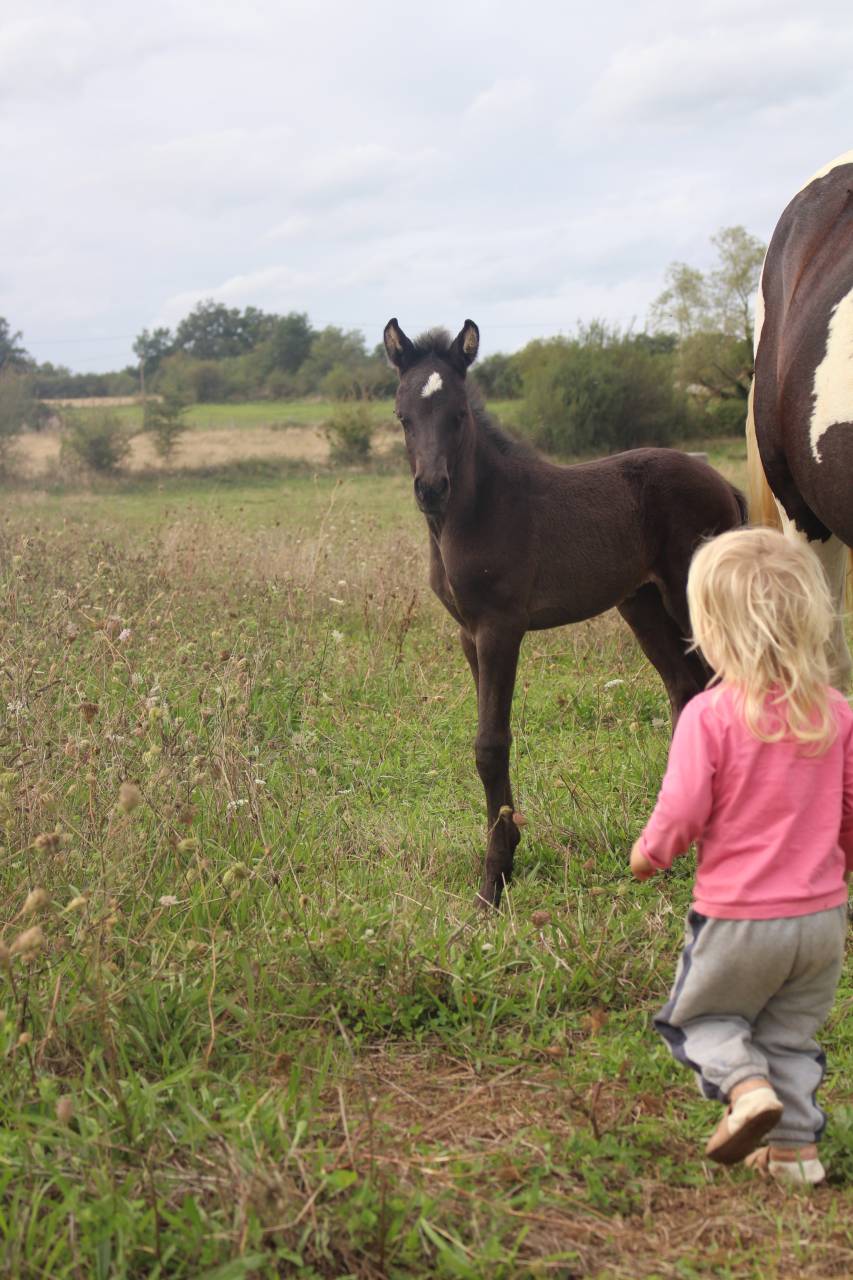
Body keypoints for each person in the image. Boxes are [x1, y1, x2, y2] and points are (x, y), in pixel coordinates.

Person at [630, 527, 851, 1185]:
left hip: (738, 919)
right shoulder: (835, 714)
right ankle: (793, 1157)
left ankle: (745, 1091)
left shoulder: (710, 716)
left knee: (702, 1018)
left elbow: (683, 809)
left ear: (713, 629)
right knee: (788, 1036)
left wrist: (651, 852)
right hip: (820, 924)